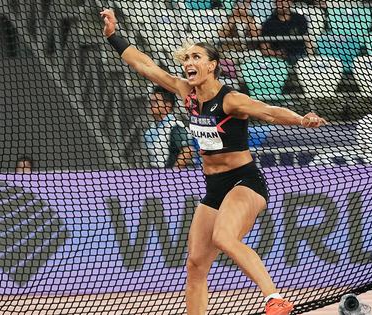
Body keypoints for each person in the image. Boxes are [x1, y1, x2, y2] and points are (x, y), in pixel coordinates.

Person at [100, 8, 326, 315]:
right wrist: (114, 35)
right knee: (195, 264)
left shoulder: (230, 99)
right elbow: (145, 66)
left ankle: (275, 298)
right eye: (187, 58)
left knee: (223, 236)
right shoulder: (186, 92)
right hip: (214, 186)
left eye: (196, 57)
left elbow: (270, 112)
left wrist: (302, 119)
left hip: (244, 181)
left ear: (212, 66)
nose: (189, 62)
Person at [144, 85, 196, 168]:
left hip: (168, 177)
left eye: (155, 101)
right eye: (151, 101)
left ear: (167, 105)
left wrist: (172, 175)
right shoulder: (152, 128)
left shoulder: (175, 127)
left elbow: (187, 151)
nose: (151, 104)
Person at [259, 0, 310, 65]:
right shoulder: (269, 24)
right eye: (279, 1)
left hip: (300, 57)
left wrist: (310, 57)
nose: (281, 3)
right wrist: (276, 54)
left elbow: (308, 41)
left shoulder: (300, 19)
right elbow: (264, 49)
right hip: (278, 60)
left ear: (290, 2)